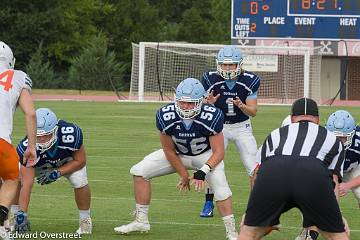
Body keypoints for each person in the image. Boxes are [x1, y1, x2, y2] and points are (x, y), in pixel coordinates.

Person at [114, 78, 238, 240]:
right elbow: (168, 149)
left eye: (191, 103)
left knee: (221, 188)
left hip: (205, 156)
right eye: (182, 102)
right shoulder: (165, 115)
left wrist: (203, 171)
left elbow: (219, 152)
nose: (185, 107)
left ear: (200, 102)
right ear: (176, 100)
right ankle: (141, 221)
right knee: (139, 171)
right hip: (178, 154)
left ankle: (231, 232)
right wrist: (183, 174)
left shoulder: (212, 116)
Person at [238, 97, 349, 240]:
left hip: (274, 172)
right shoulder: (332, 139)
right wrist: (337, 216)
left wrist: (252, 212)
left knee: (249, 233)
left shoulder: (275, 134)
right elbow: (333, 180)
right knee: (337, 235)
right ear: (318, 119)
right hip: (312, 173)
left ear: (291, 119)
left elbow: (257, 173)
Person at [199, 45, 260, 217]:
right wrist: (208, 103)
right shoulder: (209, 78)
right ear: (219, 64)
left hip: (242, 127)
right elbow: (201, 107)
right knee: (212, 164)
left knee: (254, 167)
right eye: (224, 64)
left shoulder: (250, 79)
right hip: (219, 128)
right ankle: (209, 202)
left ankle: (255, 208)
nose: (227, 68)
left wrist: (242, 106)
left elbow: (253, 112)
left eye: (231, 65)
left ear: (239, 65)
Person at [13, 108, 92, 235]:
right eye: (38, 135)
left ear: (55, 129)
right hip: (39, 164)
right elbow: (26, 185)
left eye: (46, 134)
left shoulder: (70, 133)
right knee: (15, 177)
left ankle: (85, 220)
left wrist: (57, 172)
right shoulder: (25, 147)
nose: (43, 139)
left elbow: (80, 161)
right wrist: (23, 212)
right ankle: (15, 215)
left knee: (79, 180)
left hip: (67, 162)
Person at [295, 110, 358, 240]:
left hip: (354, 169)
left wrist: (348, 185)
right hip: (326, 171)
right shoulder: (317, 140)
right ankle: (310, 231)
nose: (339, 141)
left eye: (343, 137)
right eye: (335, 136)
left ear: (352, 133)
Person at [0, 41, 37, 240]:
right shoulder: (17, 77)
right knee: (11, 179)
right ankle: (2, 224)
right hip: (1, 142)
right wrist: (31, 146)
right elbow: (30, 113)